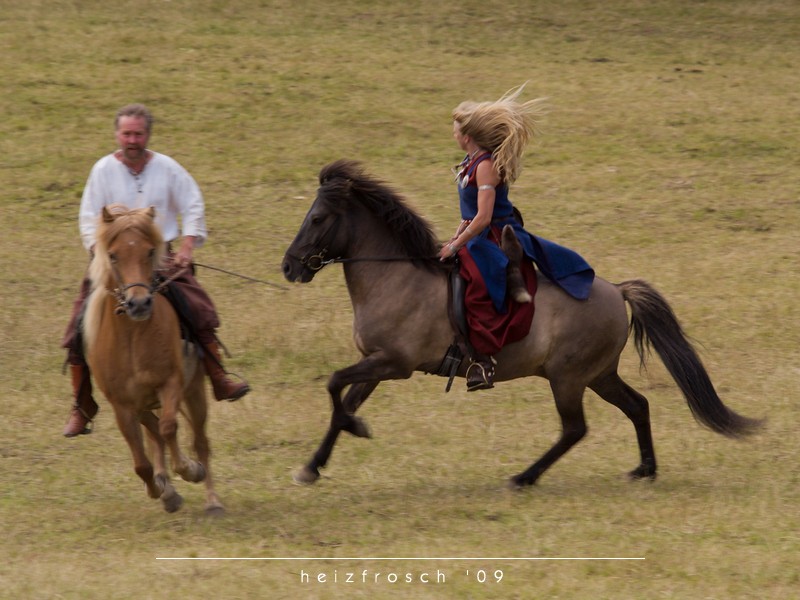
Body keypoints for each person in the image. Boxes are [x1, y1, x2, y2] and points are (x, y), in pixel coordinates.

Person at [61, 103, 250, 437]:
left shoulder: (167, 168)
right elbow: (88, 220)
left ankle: (219, 378)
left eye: (138, 134)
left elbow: (192, 204)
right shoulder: (102, 170)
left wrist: (187, 248)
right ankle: (82, 405)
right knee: (77, 327)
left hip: (158, 258)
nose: (132, 140)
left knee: (199, 309)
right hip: (114, 262)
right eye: (126, 134)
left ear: (147, 134)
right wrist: (100, 255)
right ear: (117, 134)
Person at [439, 85, 595, 391]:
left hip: (495, 236)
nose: (453, 133)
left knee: (477, 285)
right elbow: (470, 215)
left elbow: (483, 217)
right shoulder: (470, 161)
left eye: (455, 129)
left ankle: (484, 360)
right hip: (477, 233)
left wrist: (457, 244)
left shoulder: (485, 167)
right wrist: (455, 237)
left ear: (466, 136)